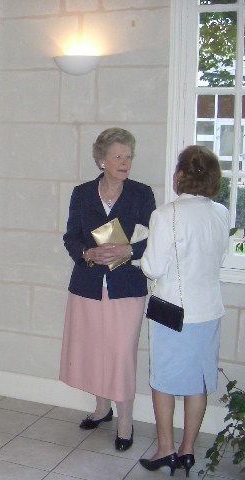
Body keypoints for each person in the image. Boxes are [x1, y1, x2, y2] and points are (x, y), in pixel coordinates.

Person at [60, 128, 156, 451]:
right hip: (87, 284)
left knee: (120, 353)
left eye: (128, 156)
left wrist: (128, 250)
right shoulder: (82, 193)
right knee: (94, 348)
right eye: (118, 156)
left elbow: (153, 240)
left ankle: (126, 420)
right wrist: (87, 253)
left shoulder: (142, 194)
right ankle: (102, 408)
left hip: (126, 286)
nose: (125, 162)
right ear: (102, 160)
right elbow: (71, 237)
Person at [139, 146, 229, 477]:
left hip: (172, 312)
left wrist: (142, 249)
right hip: (209, 310)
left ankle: (166, 449)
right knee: (198, 382)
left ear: (180, 174)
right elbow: (217, 257)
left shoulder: (166, 214)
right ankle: (188, 449)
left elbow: (152, 267)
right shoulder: (221, 213)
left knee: (163, 381)